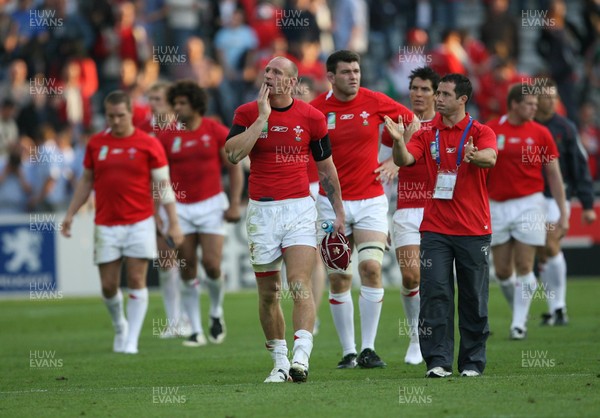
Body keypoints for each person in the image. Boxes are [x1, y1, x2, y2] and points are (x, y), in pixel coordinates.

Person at [225, 56, 345, 383]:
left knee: (299, 283)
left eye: (277, 72)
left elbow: (326, 169)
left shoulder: (312, 118)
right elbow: (233, 154)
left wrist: (339, 211)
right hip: (262, 212)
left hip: (298, 208)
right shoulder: (247, 112)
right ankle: (279, 361)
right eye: (266, 70)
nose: (269, 75)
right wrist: (261, 119)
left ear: (292, 82)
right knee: (268, 294)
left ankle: (301, 356)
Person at [310, 50, 415, 369]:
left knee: (371, 269)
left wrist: (394, 161)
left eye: (356, 70)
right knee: (340, 276)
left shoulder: (375, 100)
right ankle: (348, 351)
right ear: (331, 77)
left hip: (371, 199)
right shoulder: (315, 110)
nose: (353, 76)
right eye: (346, 72)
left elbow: (411, 122)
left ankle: (369, 349)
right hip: (329, 205)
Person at [388, 73, 497, 378]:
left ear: (462, 99)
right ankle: (437, 360)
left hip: (474, 229)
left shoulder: (480, 131)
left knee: (474, 298)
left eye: (445, 94)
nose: (438, 99)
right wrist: (399, 142)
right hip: (434, 228)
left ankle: (473, 362)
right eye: (438, 93)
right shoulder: (427, 132)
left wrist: (476, 156)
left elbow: (491, 158)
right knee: (435, 292)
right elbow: (406, 159)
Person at [61, 90, 184, 354]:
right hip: (106, 222)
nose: (115, 121)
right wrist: (70, 214)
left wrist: (172, 221)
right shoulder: (96, 144)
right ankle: (120, 325)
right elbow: (86, 181)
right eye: (110, 116)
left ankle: (131, 342)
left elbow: (163, 186)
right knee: (108, 286)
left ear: (131, 113)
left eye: (120, 115)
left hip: (140, 222)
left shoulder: (148, 144)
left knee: (137, 278)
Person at [159, 80, 244, 347]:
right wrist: (164, 213)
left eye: (182, 103)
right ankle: (195, 330)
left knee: (212, 264)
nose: (178, 108)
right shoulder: (167, 135)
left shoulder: (215, 131)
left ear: (196, 104)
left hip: (211, 205)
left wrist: (234, 203)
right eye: (175, 104)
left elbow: (234, 167)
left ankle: (216, 311)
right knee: (187, 268)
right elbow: (159, 178)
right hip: (180, 209)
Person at [486, 83, 568, 340]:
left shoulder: (541, 133)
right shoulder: (491, 129)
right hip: (496, 204)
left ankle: (518, 324)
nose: (535, 108)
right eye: (530, 104)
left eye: (536, 104)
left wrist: (563, 212)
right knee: (501, 271)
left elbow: (554, 175)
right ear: (514, 105)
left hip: (530, 203)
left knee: (524, 264)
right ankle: (518, 313)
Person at [378, 66, 440, 365]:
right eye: (414, 88)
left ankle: (440, 337)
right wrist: (381, 215)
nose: (417, 94)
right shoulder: (394, 126)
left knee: (439, 280)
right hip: (406, 208)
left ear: (436, 94)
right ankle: (416, 337)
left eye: (424, 89)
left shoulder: (446, 125)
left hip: (441, 210)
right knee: (411, 274)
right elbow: (381, 174)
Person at [534, 80, 597, 326]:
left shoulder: (565, 128)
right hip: (527, 198)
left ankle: (559, 306)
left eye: (554, 96)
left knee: (550, 244)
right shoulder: (526, 125)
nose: (551, 101)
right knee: (542, 253)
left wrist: (588, 204)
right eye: (546, 96)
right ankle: (554, 309)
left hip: (556, 196)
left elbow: (580, 167)